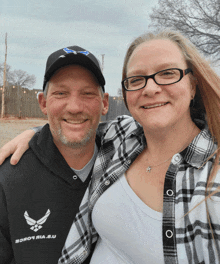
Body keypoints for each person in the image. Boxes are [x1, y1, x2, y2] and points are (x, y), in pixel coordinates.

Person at [1, 30, 220, 264]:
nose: (150, 88)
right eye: (136, 79)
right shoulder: (123, 139)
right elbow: (74, 128)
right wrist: (34, 136)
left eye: (167, 73)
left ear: (193, 85)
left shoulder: (211, 180)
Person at [0, 45, 109, 264]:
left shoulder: (126, 165)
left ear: (105, 103)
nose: (75, 107)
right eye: (61, 93)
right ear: (43, 103)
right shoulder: (8, 178)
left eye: (87, 93)